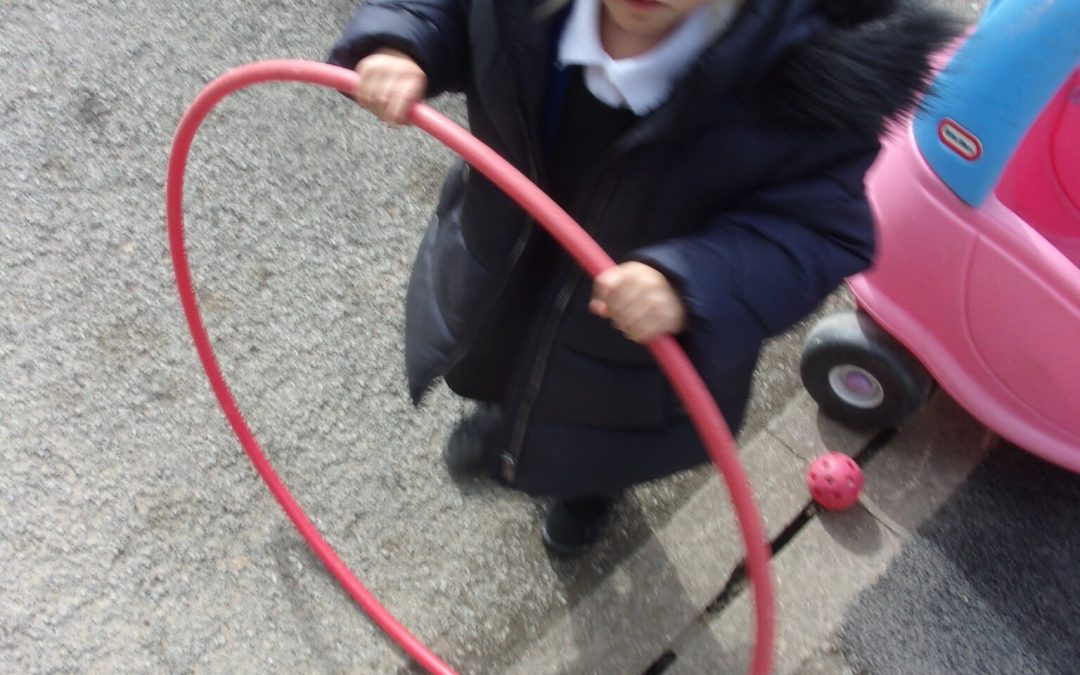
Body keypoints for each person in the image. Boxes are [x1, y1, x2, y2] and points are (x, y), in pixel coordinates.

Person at [328, 0, 957, 556]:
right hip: (512, 262)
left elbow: (814, 231)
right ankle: (501, 422)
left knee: (600, 433)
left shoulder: (802, 79)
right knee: (501, 357)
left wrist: (692, 282)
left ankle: (587, 495)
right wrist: (404, 41)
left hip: (631, 334)